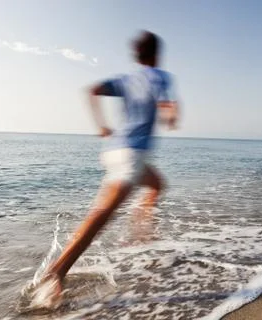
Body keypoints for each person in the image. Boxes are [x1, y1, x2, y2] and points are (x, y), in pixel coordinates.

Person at [36, 30, 179, 307]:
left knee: (157, 184)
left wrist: (101, 125)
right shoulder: (160, 76)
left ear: (136, 55)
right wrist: (171, 114)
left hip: (115, 149)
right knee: (100, 216)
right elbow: (167, 106)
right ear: (156, 54)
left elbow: (92, 90)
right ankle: (57, 272)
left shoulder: (126, 79)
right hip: (132, 157)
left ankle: (141, 229)